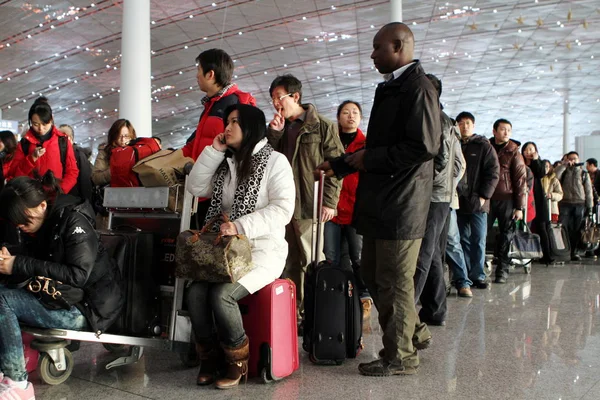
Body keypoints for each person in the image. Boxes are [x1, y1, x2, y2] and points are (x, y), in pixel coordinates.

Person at [317, 22, 441, 377]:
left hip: (401, 205)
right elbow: (378, 146)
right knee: (372, 272)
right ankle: (413, 332)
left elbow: (423, 146)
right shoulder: (393, 87)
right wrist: (340, 164)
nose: (372, 54)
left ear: (399, 46)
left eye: (377, 47)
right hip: (382, 201)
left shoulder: (418, 88)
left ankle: (400, 355)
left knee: (393, 279)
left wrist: (367, 160)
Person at [186, 104, 295, 389]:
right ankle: (209, 358)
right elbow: (196, 187)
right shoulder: (227, 163)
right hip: (225, 253)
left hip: (262, 251)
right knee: (196, 292)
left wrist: (241, 225)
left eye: (235, 122)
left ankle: (237, 359)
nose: (227, 127)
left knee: (222, 294)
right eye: (227, 121)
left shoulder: (276, 162)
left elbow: (283, 209)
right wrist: (213, 150)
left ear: (251, 127)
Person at [0, 172, 123, 399]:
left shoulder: (74, 221)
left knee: (2, 299)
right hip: (58, 297)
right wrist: (10, 257)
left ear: (42, 205)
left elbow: (77, 275)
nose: (20, 226)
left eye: (24, 220)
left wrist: (17, 263)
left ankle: (18, 384)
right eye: (15, 221)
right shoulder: (41, 222)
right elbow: (39, 260)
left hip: (84, 308)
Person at [266, 73, 343, 329]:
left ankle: (316, 314)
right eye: (273, 99)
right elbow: (269, 161)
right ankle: (296, 314)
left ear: (295, 96)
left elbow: (336, 165)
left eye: (279, 97)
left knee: (311, 260)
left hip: (310, 203)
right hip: (283, 205)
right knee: (288, 261)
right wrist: (274, 134)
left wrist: (329, 201)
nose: (276, 104)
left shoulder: (321, 125)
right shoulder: (280, 127)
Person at [181, 49, 256, 225]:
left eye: (198, 70)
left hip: (220, 195)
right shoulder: (212, 105)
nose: (196, 75)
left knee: (216, 246)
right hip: (204, 190)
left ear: (210, 74)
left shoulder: (236, 103)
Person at [413, 74, 463, 325]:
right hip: (438, 195)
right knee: (431, 254)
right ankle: (435, 310)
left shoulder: (437, 120)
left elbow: (442, 160)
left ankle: (408, 308)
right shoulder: (442, 119)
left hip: (432, 195)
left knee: (423, 252)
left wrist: (431, 183)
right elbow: (457, 165)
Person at [322, 100, 371, 313]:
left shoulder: (366, 144)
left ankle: (364, 294)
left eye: (354, 113)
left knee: (358, 256)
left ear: (360, 118)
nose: (350, 116)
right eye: (345, 112)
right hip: (331, 210)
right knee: (330, 255)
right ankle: (336, 293)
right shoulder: (330, 142)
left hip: (356, 210)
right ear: (338, 117)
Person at [455, 111, 500, 288]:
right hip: (459, 201)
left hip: (479, 202)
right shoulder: (455, 144)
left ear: (473, 126)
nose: (464, 126)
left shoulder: (484, 146)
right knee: (462, 239)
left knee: (479, 239)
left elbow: (493, 173)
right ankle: (465, 274)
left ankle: (478, 275)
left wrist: (484, 197)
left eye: (467, 123)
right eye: (461, 123)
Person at [8, 97, 79, 194]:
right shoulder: (25, 144)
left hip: (56, 197)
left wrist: (61, 190)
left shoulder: (62, 141)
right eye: (35, 124)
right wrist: (31, 158)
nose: (41, 128)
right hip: (32, 198)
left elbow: (72, 171)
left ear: (51, 119)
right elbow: (15, 174)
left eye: (45, 123)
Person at [488, 119, 527, 283]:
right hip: (487, 198)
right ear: (494, 131)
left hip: (507, 200)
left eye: (508, 130)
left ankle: (502, 271)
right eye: (503, 129)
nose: (506, 133)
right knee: (481, 235)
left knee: (506, 236)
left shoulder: (514, 152)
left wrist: (519, 207)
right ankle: (478, 270)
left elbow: (520, 180)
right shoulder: (486, 148)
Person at [555, 151, 593, 260]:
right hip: (565, 203)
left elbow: (588, 191)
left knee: (577, 229)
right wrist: (564, 165)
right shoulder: (564, 171)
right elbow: (556, 177)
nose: (573, 160)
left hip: (579, 204)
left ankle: (574, 252)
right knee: (564, 228)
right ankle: (565, 251)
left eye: (575, 158)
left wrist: (589, 207)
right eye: (570, 158)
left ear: (579, 159)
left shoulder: (583, 173)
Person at [522, 142, 552, 263]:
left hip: (538, 199)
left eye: (531, 149)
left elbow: (540, 173)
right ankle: (525, 253)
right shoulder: (520, 163)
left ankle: (546, 255)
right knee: (526, 227)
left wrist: (535, 160)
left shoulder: (541, 163)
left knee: (541, 227)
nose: (529, 152)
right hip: (525, 198)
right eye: (526, 149)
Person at [91, 119, 137, 187]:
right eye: (119, 136)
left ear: (132, 136)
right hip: (112, 192)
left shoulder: (136, 151)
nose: (123, 140)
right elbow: (96, 178)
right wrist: (115, 170)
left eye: (126, 136)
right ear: (114, 136)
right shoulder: (105, 152)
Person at [59, 124, 93, 204]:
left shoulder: (79, 155)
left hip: (75, 200)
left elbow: (85, 182)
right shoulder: (57, 154)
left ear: (71, 139)